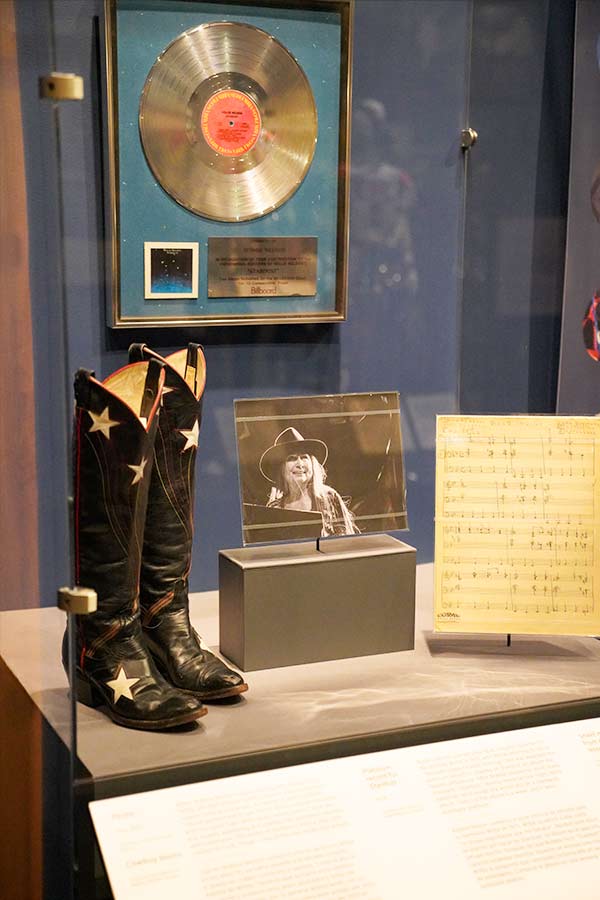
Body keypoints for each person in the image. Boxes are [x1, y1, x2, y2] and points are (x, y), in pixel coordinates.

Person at [259, 427, 359, 537]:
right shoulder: (275, 508)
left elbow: (348, 540)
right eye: (291, 458)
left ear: (312, 464)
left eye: (304, 457)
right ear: (281, 469)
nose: (300, 464)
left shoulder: (329, 497)